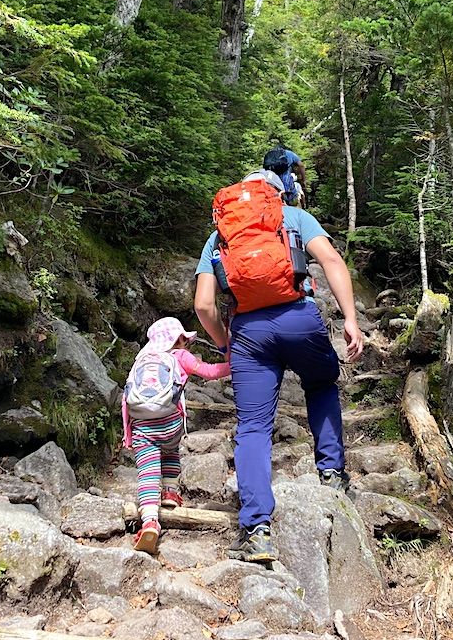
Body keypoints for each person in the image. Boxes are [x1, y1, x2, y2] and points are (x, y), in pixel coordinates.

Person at [194, 171, 364, 564]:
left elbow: (204, 305)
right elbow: (332, 260)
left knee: (253, 424)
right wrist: (350, 318)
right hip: (299, 317)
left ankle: (256, 530)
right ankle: (331, 474)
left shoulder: (221, 234)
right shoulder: (294, 217)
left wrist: (225, 345)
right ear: (277, 192)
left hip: (249, 331)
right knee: (321, 384)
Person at [123, 317, 231, 554]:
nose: (188, 344)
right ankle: (170, 492)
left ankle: (150, 520)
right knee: (171, 451)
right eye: (186, 340)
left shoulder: (141, 358)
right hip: (170, 425)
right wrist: (236, 364)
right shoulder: (180, 356)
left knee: (149, 472)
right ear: (179, 339)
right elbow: (209, 372)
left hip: (142, 427)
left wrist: (128, 433)